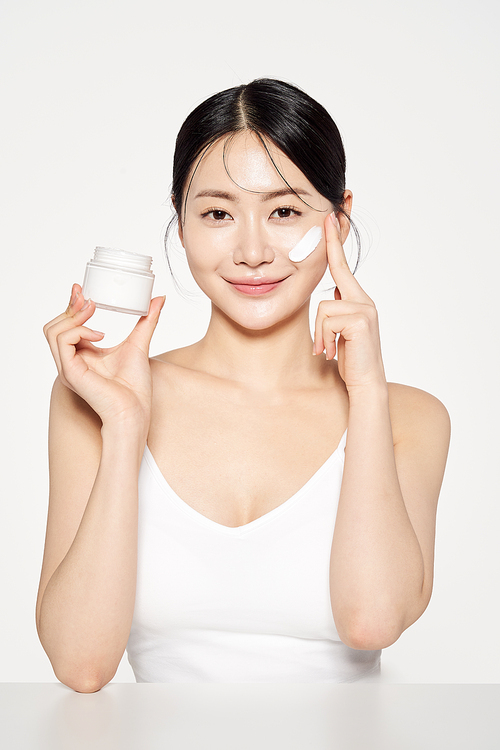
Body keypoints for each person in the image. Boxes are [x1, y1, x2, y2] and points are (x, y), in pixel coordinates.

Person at [36, 78, 450, 691]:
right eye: (218, 213)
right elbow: (82, 666)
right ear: (180, 224)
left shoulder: (410, 418)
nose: (252, 251)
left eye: (284, 212)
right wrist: (125, 429)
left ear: (339, 217)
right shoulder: (99, 399)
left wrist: (366, 394)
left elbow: (372, 619)